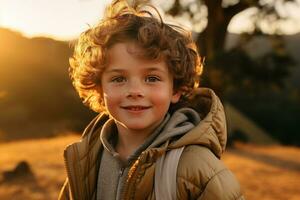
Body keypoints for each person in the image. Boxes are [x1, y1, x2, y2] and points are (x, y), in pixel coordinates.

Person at [58, 0, 245, 199]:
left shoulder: (197, 168)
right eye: (119, 79)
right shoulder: (86, 161)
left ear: (176, 89)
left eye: (152, 78)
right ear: (99, 87)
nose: (135, 91)